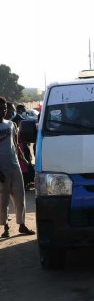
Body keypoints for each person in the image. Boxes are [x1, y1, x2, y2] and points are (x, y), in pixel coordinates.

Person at [0, 96, 35, 237]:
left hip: (14, 166)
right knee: (3, 200)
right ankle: (5, 228)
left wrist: (24, 159)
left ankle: (22, 225)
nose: (3, 111)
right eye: (0, 108)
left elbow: (15, 144)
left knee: (20, 196)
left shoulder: (11, 125)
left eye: (4, 108)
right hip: (1, 168)